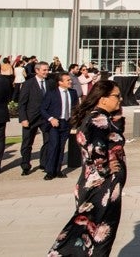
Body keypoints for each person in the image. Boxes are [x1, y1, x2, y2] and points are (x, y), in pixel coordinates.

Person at [48, 80, 126, 256]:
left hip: (96, 184)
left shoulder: (99, 117)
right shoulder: (98, 119)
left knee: (88, 233)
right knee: (98, 237)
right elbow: (96, 146)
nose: (120, 99)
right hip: (102, 187)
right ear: (103, 98)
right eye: (116, 96)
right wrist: (105, 168)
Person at [40, 71, 79, 180]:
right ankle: (50, 171)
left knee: (61, 147)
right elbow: (43, 109)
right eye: (68, 80)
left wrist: (75, 120)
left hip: (66, 123)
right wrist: (51, 118)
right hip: (55, 124)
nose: (70, 82)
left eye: (70, 80)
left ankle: (58, 170)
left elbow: (76, 108)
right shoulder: (52, 93)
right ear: (60, 82)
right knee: (54, 146)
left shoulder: (73, 93)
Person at [18, 61, 50, 176]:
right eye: (44, 70)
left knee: (48, 140)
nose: (47, 72)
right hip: (31, 118)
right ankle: (25, 165)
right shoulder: (28, 84)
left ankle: (44, 163)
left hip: (46, 118)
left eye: (47, 70)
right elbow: (22, 103)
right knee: (27, 143)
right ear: (37, 70)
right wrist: (23, 118)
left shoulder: (50, 83)